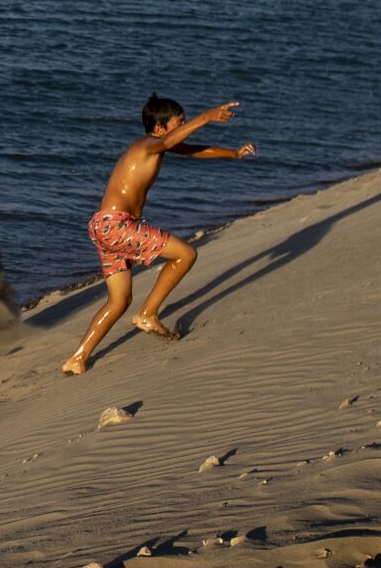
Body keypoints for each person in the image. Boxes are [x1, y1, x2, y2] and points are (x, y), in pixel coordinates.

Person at [61, 95, 255, 376]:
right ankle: (147, 314)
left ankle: (77, 358)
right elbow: (167, 143)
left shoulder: (157, 147)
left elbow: (193, 150)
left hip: (103, 226)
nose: (184, 126)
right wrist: (207, 117)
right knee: (186, 254)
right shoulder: (147, 145)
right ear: (161, 127)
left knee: (119, 301)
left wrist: (233, 154)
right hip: (117, 225)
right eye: (180, 122)